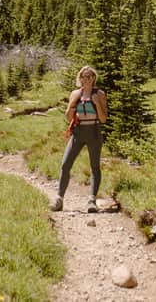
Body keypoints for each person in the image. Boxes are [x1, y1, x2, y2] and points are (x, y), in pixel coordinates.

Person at [50, 65, 107, 213]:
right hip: (78, 132)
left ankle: (92, 201)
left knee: (94, 167)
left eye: (90, 76)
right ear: (80, 78)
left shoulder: (99, 94)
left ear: (94, 78)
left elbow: (103, 119)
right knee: (65, 164)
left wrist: (96, 103)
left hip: (94, 131)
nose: (87, 79)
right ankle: (59, 199)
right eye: (84, 76)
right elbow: (69, 116)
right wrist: (71, 105)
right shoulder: (75, 93)